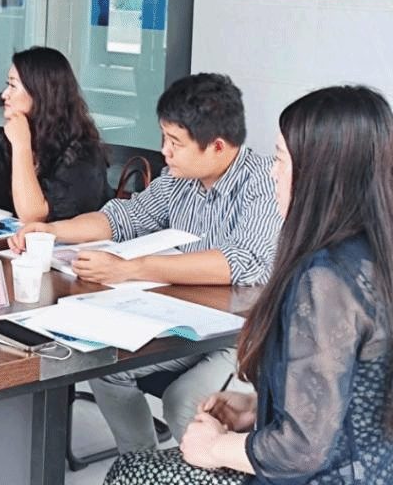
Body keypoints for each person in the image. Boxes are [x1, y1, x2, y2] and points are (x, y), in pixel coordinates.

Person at [104, 85, 393, 484]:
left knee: (132, 472)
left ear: (319, 175)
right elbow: (350, 397)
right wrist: (259, 410)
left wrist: (215, 448)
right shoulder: (372, 254)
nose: (274, 171)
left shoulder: (326, 280)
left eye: (281, 159)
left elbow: (302, 450)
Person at [10, 73, 280, 452]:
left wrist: (130, 268)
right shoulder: (180, 179)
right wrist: (52, 230)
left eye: (175, 143)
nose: (165, 152)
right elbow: (124, 217)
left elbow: (242, 262)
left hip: (241, 336)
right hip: (185, 322)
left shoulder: (264, 184)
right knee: (104, 368)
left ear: (218, 146)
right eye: (164, 138)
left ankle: (207, 472)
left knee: (186, 402)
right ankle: (139, 465)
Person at [0, 47, 111, 222]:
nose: (4, 95)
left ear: (41, 92)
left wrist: (21, 146)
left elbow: (33, 216)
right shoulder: (7, 142)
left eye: (13, 86)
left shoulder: (82, 153)